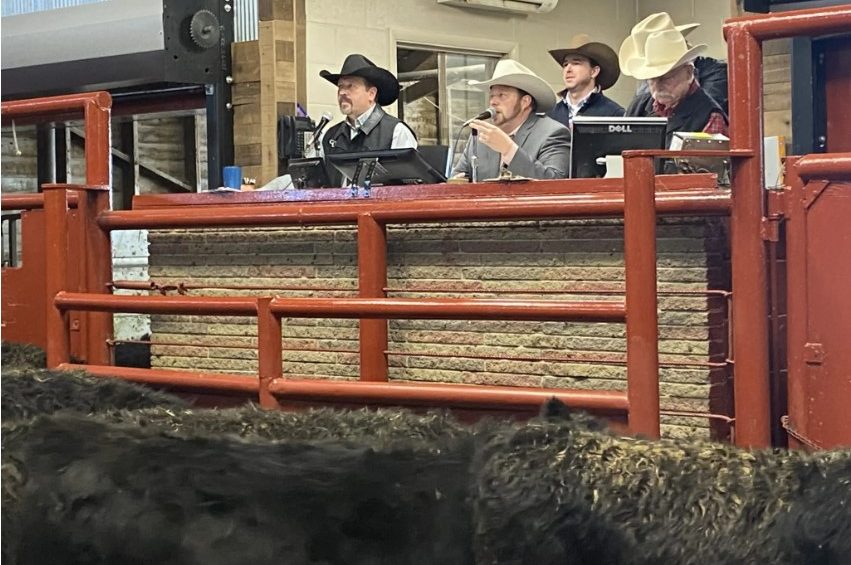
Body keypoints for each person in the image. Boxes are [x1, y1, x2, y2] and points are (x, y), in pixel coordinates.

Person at [451, 59, 571, 181]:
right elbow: (459, 178)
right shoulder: (481, 136)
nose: (493, 102)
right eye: (492, 96)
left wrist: (508, 150)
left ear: (525, 102)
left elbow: (555, 182)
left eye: (502, 95)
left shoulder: (552, 133)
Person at [619, 13, 728, 146]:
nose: (657, 85)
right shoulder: (638, 106)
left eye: (666, 77)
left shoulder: (709, 116)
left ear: (689, 73)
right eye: (651, 78)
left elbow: (705, 165)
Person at [318, 53, 417, 185]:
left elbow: (409, 189)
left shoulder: (396, 132)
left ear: (371, 94)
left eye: (350, 86)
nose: (342, 92)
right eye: (340, 86)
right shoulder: (331, 135)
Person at [547, 34, 624, 129]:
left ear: (594, 71)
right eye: (565, 64)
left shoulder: (613, 114)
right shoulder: (550, 115)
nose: (568, 69)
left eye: (576, 63)